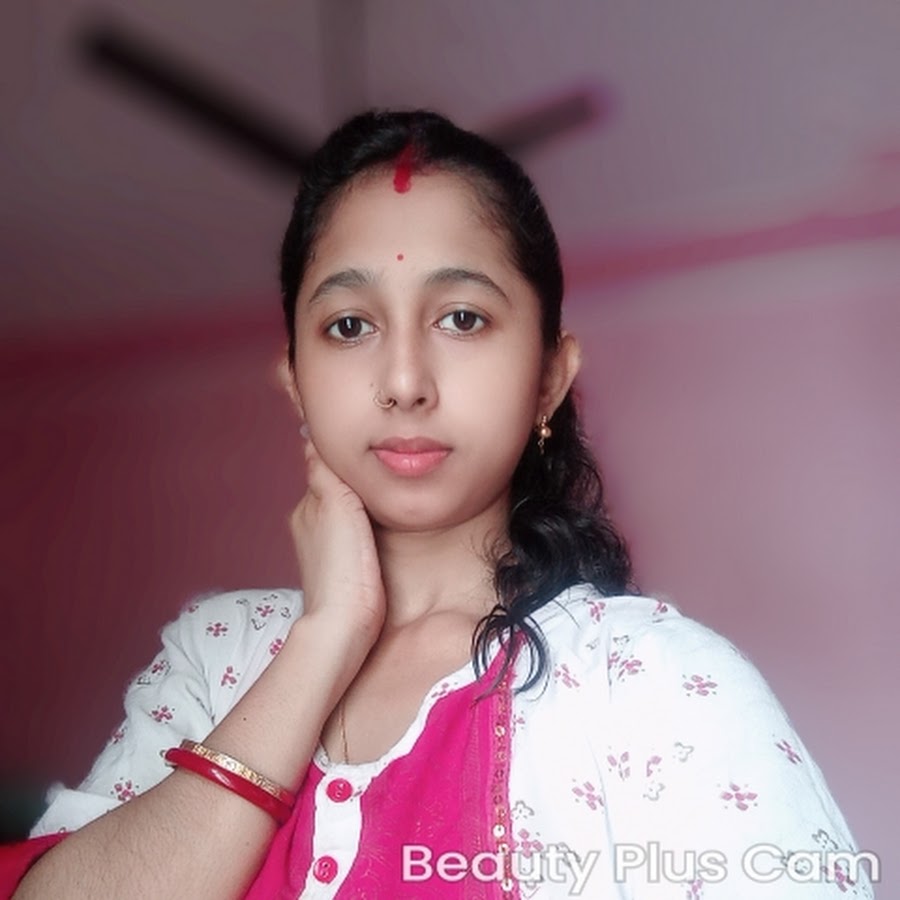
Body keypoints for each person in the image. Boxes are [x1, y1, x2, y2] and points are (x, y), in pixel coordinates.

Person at [4, 110, 873, 898]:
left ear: (550, 377)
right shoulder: (216, 658)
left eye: (461, 318)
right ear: (296, 380)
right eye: (350, 325)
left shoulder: (647, 683)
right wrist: (327, 636)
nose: (404, 382)